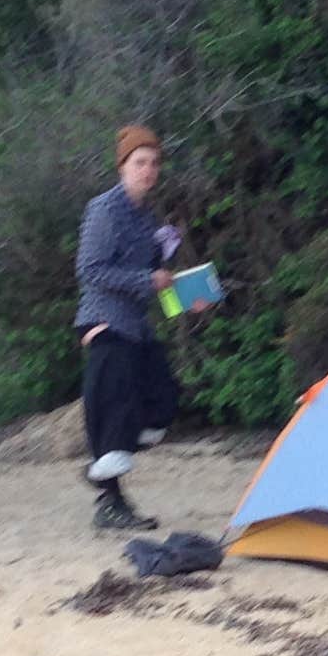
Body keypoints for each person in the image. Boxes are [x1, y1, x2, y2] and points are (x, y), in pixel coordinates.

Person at [75, 123, 203, 532]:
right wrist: (148, 282)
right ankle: (109, 502)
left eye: (153, 163)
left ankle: (102, 474)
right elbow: (90, 270)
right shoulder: (104, 209)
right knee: (114, 412)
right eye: (139, 162)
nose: (148, 170)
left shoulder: (149, 217)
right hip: (105, 323)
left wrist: (185, 298)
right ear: (123, 166)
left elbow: (155, 276)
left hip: (138, 327)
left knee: (163, 398)